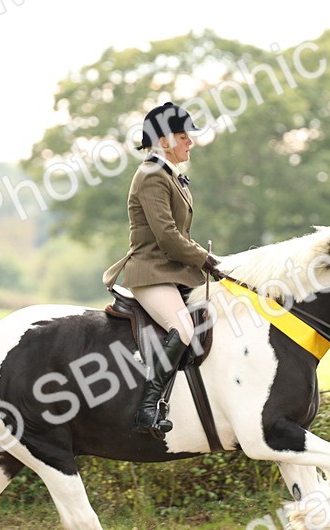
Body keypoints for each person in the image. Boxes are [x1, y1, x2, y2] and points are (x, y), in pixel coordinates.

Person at [103, 101, 220, 438]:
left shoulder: (170, 174)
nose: (191, 142)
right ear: (165, 139)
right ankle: (147, 407)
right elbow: (168, 237)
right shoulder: (152, 175)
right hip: (151, 272)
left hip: (175, 273)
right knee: (182, 329)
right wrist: (205, 260)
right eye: (184, 136)